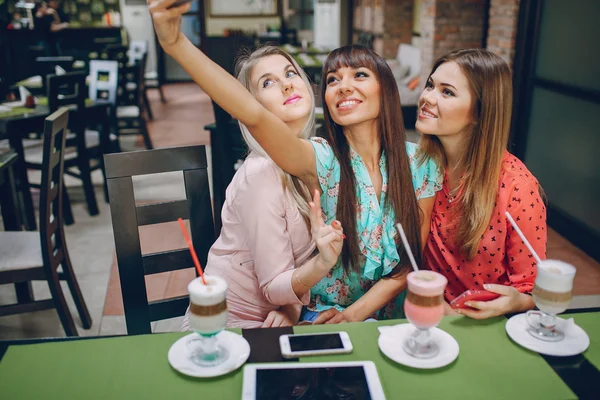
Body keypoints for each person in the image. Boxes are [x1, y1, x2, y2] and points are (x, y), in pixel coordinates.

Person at [148, 0, 441, 324]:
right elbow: (255, 115)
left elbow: (409, 260)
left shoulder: (420, 162)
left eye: (359, 74)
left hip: (388, 316)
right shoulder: (322, 159)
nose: (344, 86)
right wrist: (176, 44)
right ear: (325, 99)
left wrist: (352, 316)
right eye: (332, 80)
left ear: (385, 88)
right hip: (319, 313)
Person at [179, 44, 345, 329]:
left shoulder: (318, 153)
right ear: (251, 105)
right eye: (267, 82)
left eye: (290, 73)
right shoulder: (261, 173)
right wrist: (321, 265)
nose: (286, 84)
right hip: (224, 326)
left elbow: (288, 270)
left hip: (276, 320)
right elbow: (271, 286)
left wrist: (292, 309)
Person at [416, 48, 546, 319]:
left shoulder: (517, 187)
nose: (427, 97)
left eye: (447, 92)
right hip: (425, 315)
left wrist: (515, 302)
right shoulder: (419, 166)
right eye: (430, 85)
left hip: (484, 325)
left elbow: (531, 289)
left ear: (478, 113)